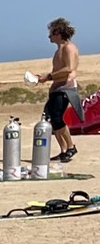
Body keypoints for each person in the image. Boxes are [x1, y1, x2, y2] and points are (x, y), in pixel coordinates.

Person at [35, 19, 81, 163]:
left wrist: (48, 77)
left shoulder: (69, 48)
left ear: (59, 34)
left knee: (57, 118)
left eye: (51, 33)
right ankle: (63, 150)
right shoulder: (58, 50)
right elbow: (58, 71)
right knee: (51, 119)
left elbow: (69, 69)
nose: (49, 36)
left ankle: (71, 147)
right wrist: (47, 80)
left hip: (66, 89)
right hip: (56, 88)